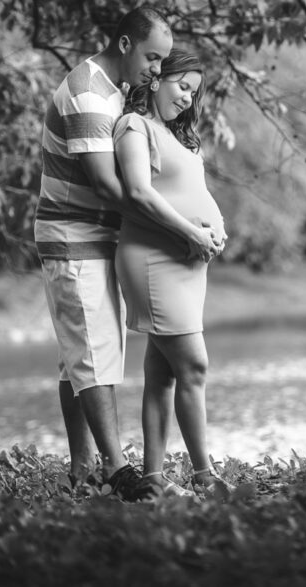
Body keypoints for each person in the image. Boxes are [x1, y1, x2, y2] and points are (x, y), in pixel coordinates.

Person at [33, 8, 218, 501]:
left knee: (78, 357)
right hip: (74, 238)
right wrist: (181, 232)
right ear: (123, 44)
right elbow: (114, 187)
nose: (158, 69)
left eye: (163, 60)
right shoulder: (90, 93)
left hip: (101, 239)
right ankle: (119, 473)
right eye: (152, 56)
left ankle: (82, 468)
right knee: (95, 357)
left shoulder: (115, 93)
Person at [112, 50, 229, 498]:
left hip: (185, 265)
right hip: (154, 260)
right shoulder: (134, 126)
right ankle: (204, 473)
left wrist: (215, 233)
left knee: (162, 374)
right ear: (158, 78)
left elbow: (189, 191)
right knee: (194, 364)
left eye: (194, 92)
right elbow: (139, 193)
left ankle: (154, 478)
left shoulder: (175, 135)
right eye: (183, 85)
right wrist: (193, 234)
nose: (187, 97)